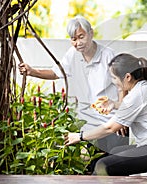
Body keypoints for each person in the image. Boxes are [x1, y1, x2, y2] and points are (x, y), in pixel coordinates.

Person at [18, 16, 128, 157]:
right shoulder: (72, 55)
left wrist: (122, 117)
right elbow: (56, 72)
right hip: (89, 125)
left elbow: (122, 87)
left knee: (114, 169)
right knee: (93, 168)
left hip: (112, 124)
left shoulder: (109, 55)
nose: (77, 43)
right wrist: (32, 71)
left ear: (91, 33)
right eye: (73, 39)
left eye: (81, 37)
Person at [64, 53, 147, 176]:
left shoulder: (139, 93)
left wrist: (80, 136)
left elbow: (110, 128)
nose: (113, 82)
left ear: (127, 77)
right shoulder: (141, 89)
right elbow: (136, 108)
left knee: (104, 165)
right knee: (115, 152)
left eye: (114, 78)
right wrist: (114, 104)